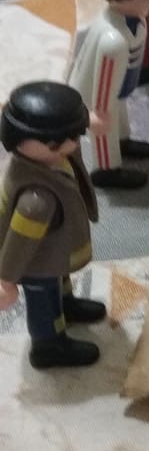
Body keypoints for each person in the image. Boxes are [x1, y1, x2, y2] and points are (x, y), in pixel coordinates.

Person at [0, 81, 105, 367]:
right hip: (35, 263)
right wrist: (6, 280)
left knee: (60, 278)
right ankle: (48, 346)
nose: (72, 143)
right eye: (61, 139)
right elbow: (19, 243)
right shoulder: (37, 200)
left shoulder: (53, 159)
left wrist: (87, 121)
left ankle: (67, 304)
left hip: (55, 249)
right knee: (45, 302)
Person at [68, 0, 149, 189]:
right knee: (106, 127)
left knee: (120, 116)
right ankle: (106, 169)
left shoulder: (133, 20)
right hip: (97, 97)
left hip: (119, 85)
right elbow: (103, 86)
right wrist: (99, 114)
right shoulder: (113, 40)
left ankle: (122, 142)